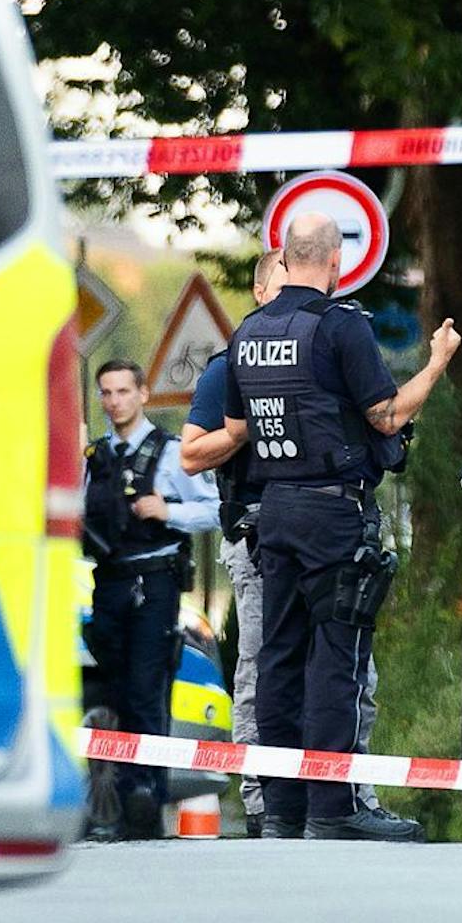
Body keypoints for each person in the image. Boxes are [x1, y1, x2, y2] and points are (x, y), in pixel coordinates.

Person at [221, 211, 460, 841]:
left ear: (286, 257)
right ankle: (332, 807)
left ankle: (280, 808)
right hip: (332, 512)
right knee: (336, 659)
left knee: (278, 658)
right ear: (333, 261)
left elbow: (241, 426)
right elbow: (385, 416)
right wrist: (435, 365)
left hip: (273, 511)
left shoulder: (247, 334)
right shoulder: (340, 327)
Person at [181, 249, 301, 837]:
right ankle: (259, 801)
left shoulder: (317, 356)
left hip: (314, 531)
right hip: (255, 535)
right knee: (258, 663)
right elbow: (191, 451)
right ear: (258, 294)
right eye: (281, 288)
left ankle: (336, 792)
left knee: (338, 666)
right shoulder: (230, 369)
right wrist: (251, 422)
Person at [82, 358, 221, 841]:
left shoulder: (171, 453)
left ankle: (143, 799)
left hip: (154, 585)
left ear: (143, 394)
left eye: (123, 391)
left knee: (145, 693)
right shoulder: (96, 457)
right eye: (106, 392)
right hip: (109, 584)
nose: (114, 400)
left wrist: (168, 509)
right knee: (116, 694)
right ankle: (122, 805)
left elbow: (215, 511)